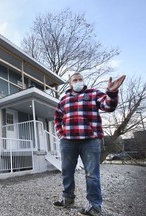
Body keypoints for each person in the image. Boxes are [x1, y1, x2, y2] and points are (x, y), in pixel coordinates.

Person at [53, 72, 126, 216]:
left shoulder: (93, 94)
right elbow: (57, 117)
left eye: (80, 79)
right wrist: (61, 133)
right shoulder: (64, 99)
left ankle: (94, 205)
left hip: (90, 140)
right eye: (75, 80)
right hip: (68, 141)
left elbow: (108, 106)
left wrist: (112, 93)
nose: (78, 82)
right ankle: (67, 198)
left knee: (92, 174)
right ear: (70, 83)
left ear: (83, 81)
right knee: (67, 172)